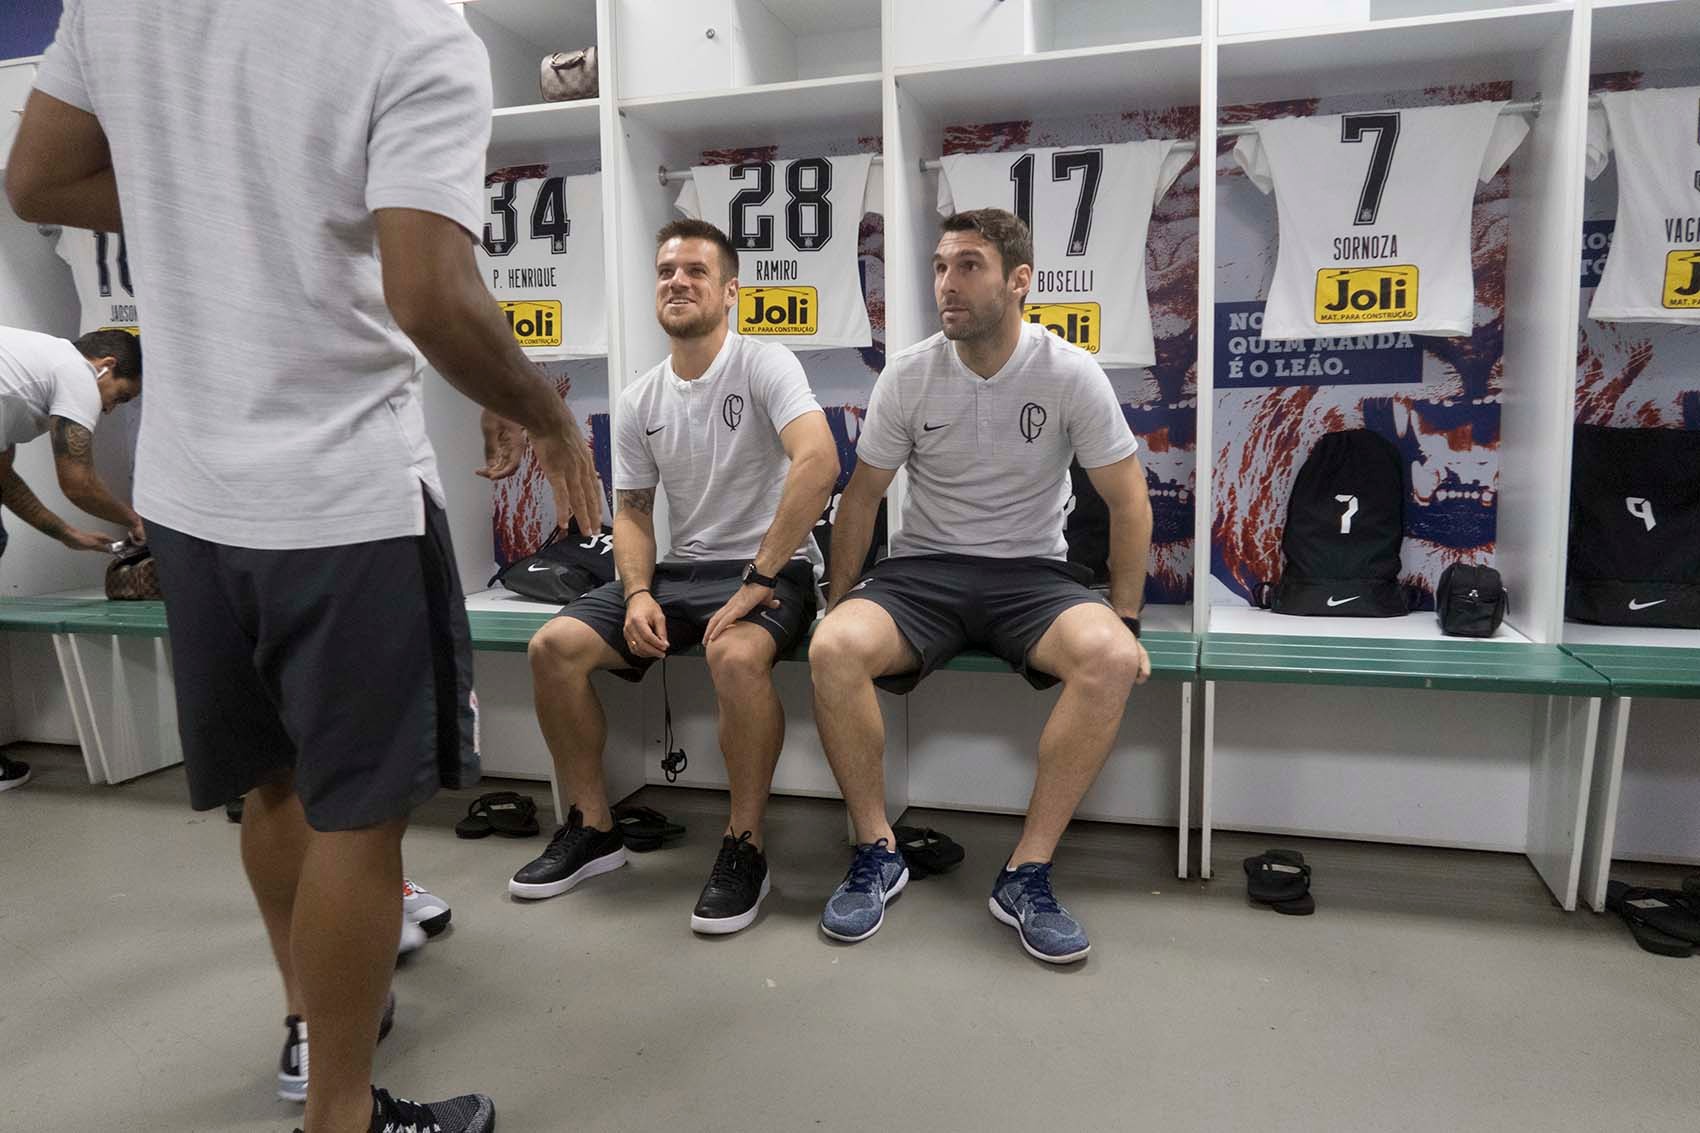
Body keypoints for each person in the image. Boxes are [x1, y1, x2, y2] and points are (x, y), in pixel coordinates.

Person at [8, 1, 602, 1130]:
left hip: (190, 495)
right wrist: (543, 413)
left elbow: (35, 181)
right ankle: (342, 1110)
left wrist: (208, 206)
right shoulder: (412, 27)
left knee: (269, 782)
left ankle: (304, 1022)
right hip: (336, 497)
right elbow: (431, 294)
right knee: (359, 819)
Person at [808, 208, 1154, 965]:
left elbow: (1129, 498)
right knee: (832, 647)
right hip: (921, 573)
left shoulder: (1068, 371)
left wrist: (1125, 618)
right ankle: (877, 850)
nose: (947, 284)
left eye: (968, 266)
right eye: (940, 266)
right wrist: (838, 602)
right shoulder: (911, 371)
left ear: (1019, 281)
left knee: (1112, 658)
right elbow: (862, 497)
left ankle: (1026, 872)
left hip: (1031, 575)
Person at [518, 218, 838, 935]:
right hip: (678, 574)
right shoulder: (639, 399)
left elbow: (818, 462)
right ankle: (593, 827)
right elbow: (631, 510)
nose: (677, 282)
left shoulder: (764, 363)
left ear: (729, 292)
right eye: (666, 271)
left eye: (696, 271)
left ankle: (744, 844)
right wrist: (634, 592)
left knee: (734, 654)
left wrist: (761, 574)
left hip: (768, 571)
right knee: (552, 649)